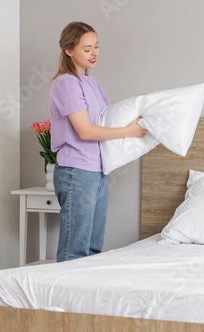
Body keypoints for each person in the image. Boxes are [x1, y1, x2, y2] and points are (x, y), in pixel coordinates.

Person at [50, 21, 147, 262]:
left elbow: (107, 117)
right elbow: (85, 131)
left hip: (98, 169)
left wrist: (141, 104)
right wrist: (129, 131)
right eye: (87, 49)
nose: (94, 53)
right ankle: (65, 298)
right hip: (76, 170)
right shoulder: (66, 83)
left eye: (96, 46)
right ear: (69, 51)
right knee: (75, 249)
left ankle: (85, 299)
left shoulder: (91, 82)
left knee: (93, 249)